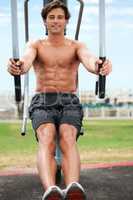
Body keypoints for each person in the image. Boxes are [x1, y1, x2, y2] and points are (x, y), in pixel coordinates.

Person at [7, 0, 112, 199]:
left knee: (67, 136)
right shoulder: (36, 44)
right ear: (45, 22)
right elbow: (25, 61)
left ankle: (73, 186)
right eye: (51, 17)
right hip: (43, 99)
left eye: (60, 17)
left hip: (69, 100)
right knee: (47, 137)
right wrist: (16, 66)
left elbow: (90, 60)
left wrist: (100, 66)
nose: (56, 21)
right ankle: (51, 190)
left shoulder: (76, 45)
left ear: (66, 21)